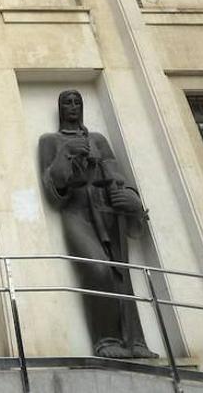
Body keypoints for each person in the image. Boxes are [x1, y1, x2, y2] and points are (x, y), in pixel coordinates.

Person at [37, 89, 157, 359]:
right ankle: (107, 340)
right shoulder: (50, 141)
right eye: (67, 102)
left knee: (120, 273)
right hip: (76, 211)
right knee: (98, 268)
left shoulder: (98, 140)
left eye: (77, 102)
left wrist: (131, 199)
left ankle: (134, 341)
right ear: (60, 108)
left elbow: (117, 174)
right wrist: (66, 153)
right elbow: (52, 187)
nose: (72, 106)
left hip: (106, 208)